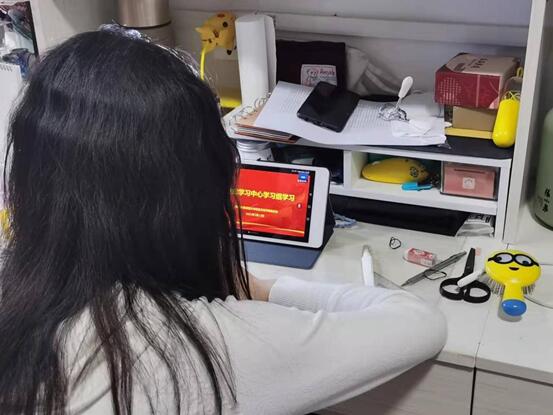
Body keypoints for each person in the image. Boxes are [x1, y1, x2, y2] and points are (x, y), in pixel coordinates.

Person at [0, 28, 447, 415]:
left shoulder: (20, 294)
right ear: (189, 193)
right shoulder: (201, 345)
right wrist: (257, 287)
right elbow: (418, 323)